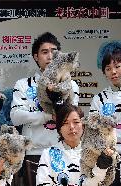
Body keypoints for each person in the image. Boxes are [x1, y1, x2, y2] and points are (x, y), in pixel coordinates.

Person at [11, 32, 80, 160]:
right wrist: (47, 116)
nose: (50, 56)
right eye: (44, 52)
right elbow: (16, 117)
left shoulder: (71, 85)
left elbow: (72, 116)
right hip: (34, 152)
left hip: (64, 149)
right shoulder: (23, 84)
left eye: (54, 52)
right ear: (36, 57)